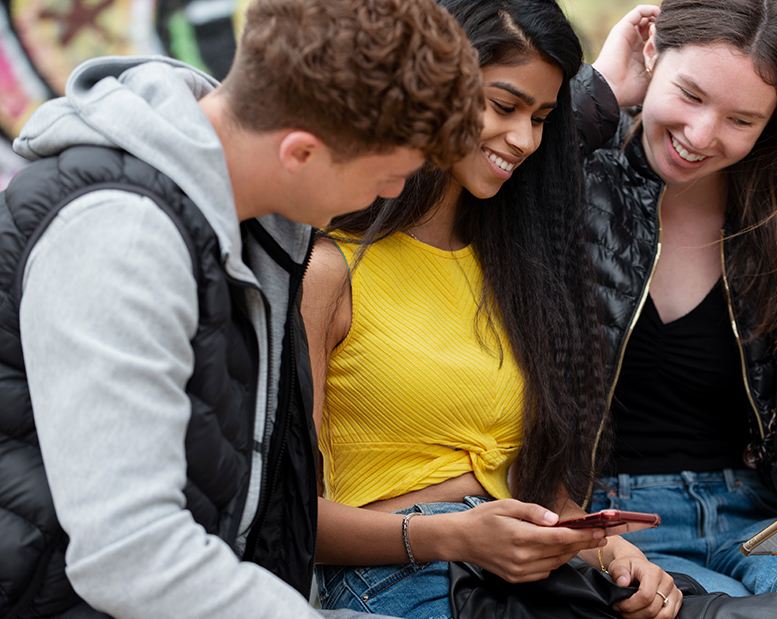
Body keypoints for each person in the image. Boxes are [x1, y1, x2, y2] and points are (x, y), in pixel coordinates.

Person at [0, 0, 482, 615]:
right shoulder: (122, 238)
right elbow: (131, 553)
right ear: (301, 153)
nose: (392, 192)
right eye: (388, 173)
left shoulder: (248, 218)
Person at [302, 1, 682, 618]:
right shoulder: (330, 269)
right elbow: (291, 515)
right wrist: (455, 534)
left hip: (520, 574)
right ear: (431, 88)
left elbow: (537, 493)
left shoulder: (515, 268)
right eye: (504, 107)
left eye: (541, 118)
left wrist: (608, 552)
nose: (524, 139)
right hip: (397, 575)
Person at [575, 1, 777, 616]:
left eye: (741, 119)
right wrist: (594, 93)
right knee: (722, 605)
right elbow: (468, 173)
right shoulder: (569, 175)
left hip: (753, 514)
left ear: (776, 121)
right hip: (601, 518)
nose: (701, 136)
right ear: (650, 53)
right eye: (690, 94)